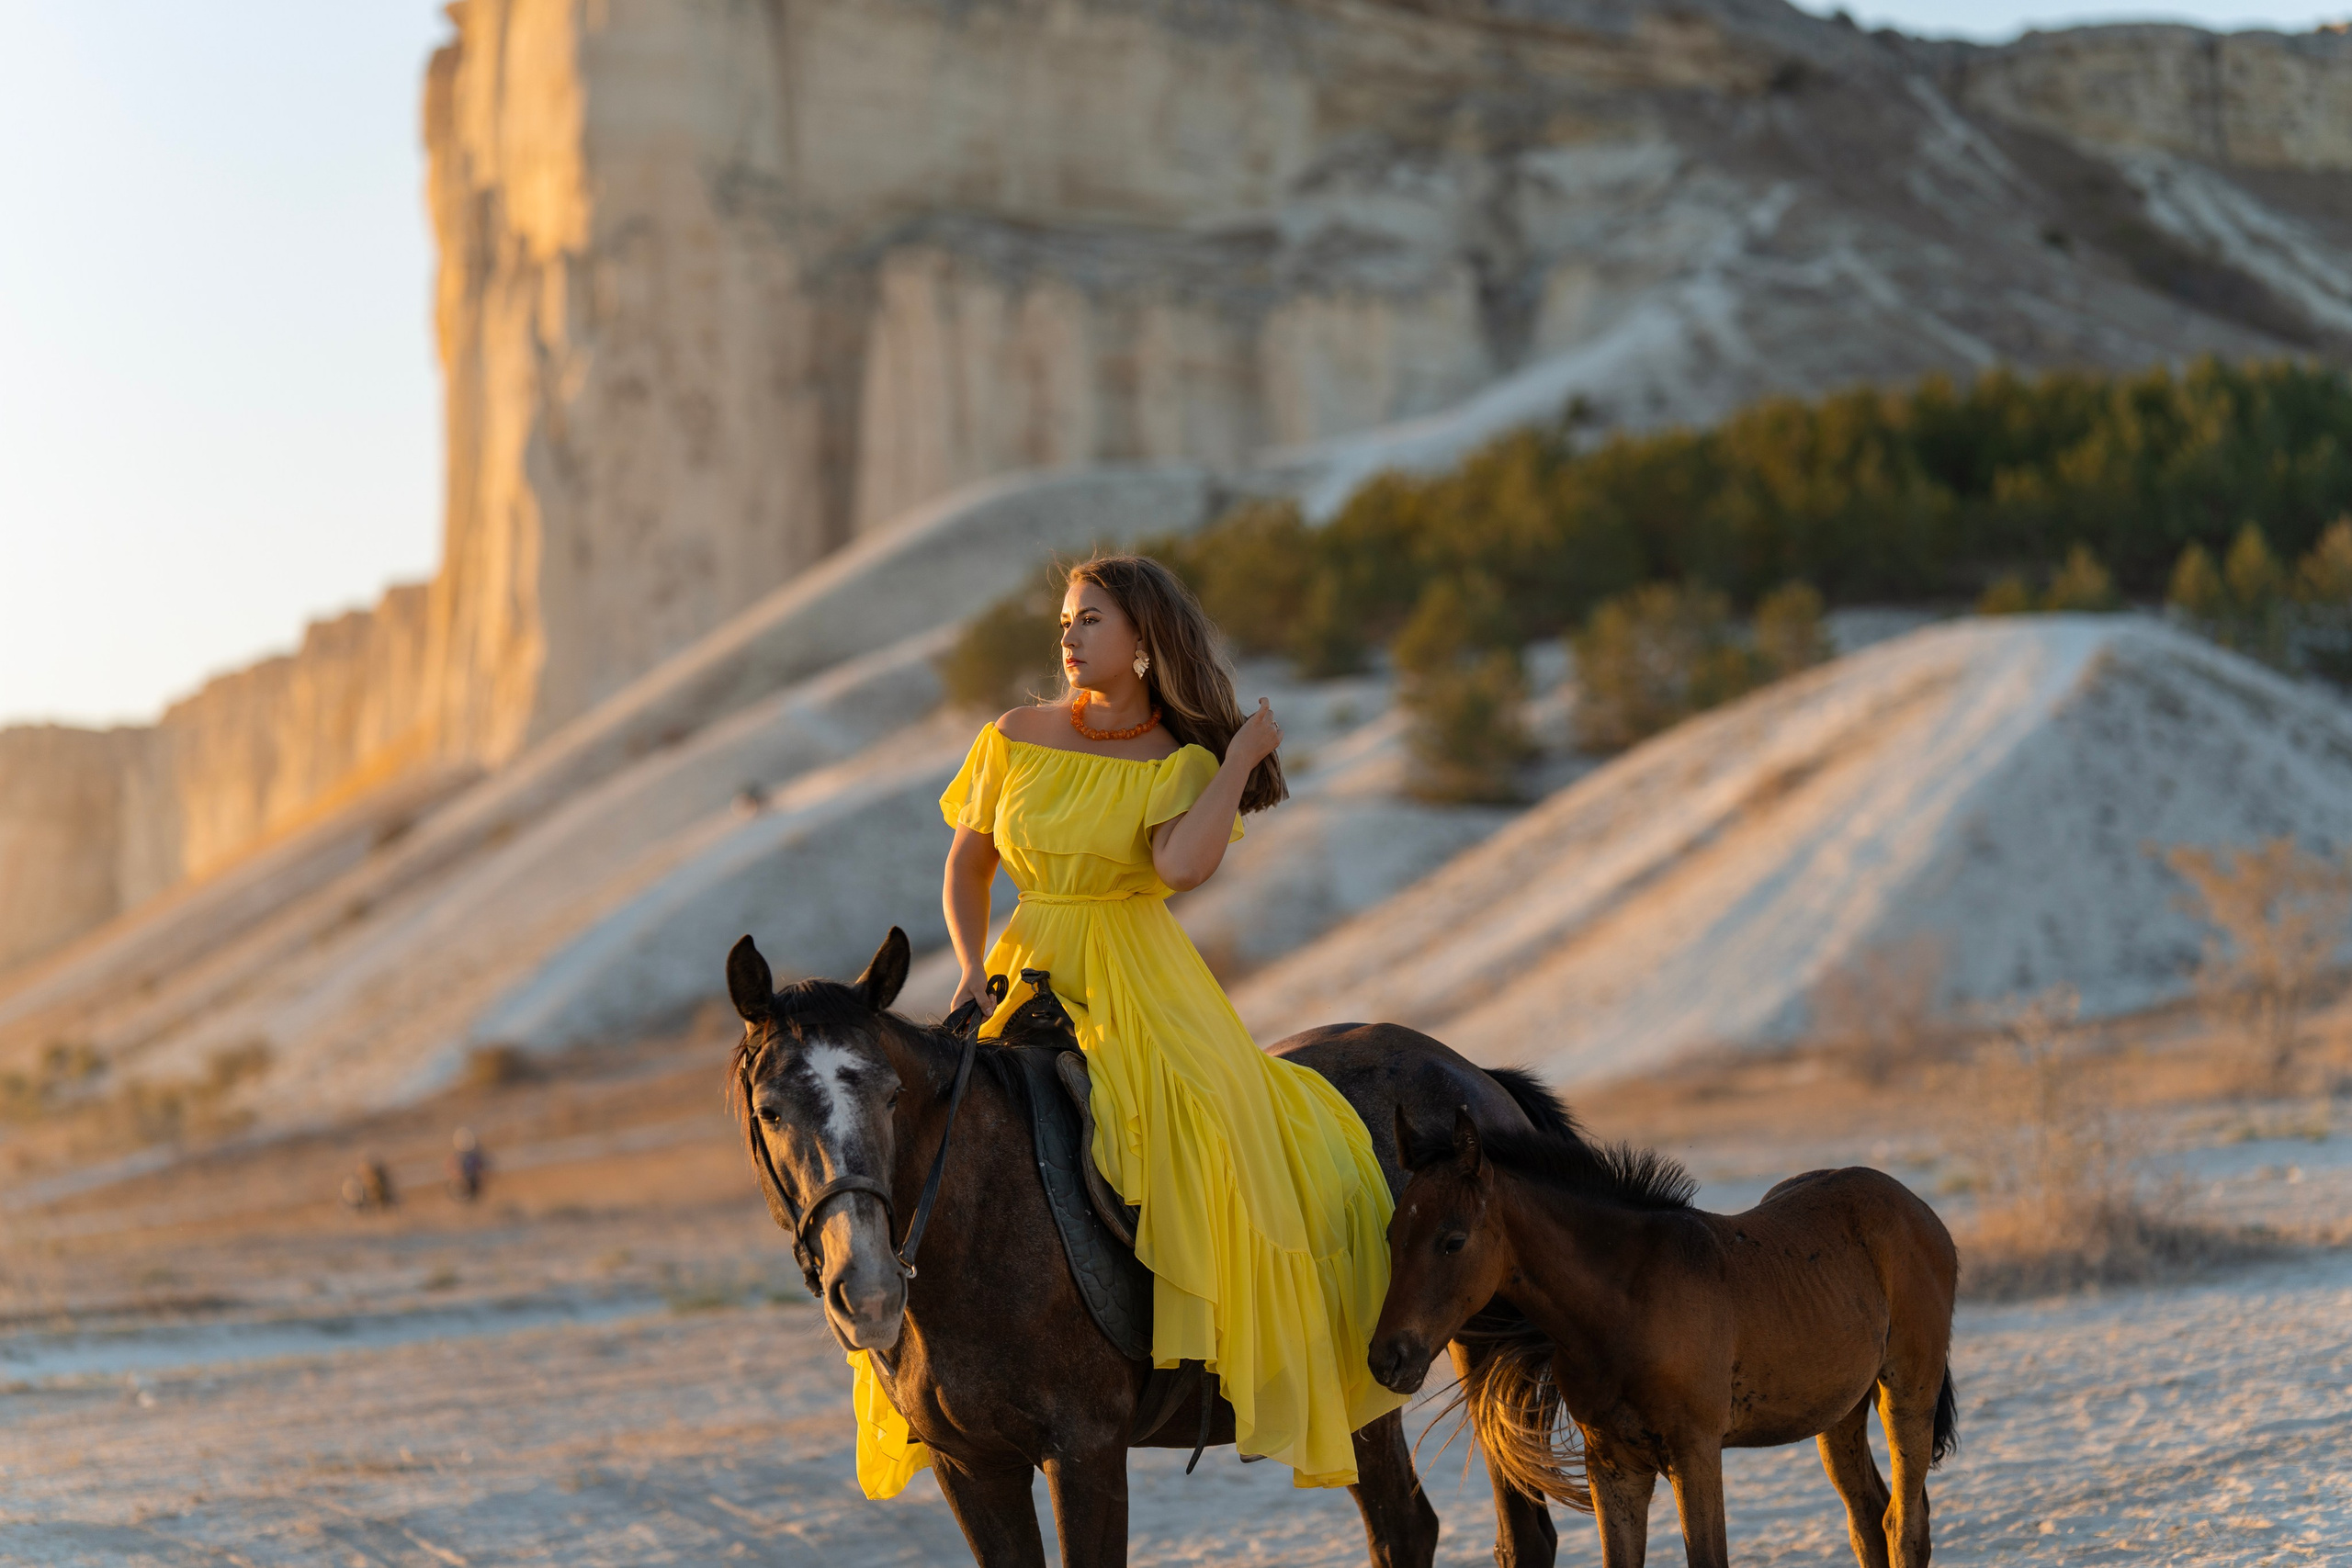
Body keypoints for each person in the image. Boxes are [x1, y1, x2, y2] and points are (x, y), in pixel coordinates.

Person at [850, 554, 1407, 1498]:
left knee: (1196, 1128)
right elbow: (968, 868)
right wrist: (974, 965)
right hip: (1023, 968)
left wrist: (1233, 762)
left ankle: (1200, 1355)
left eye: (1090, 620)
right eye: (1065, 619)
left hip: (1137, 975)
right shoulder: (1014, 735)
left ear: (1144, 644)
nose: (1067, 636)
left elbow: (1184, 869)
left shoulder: (1179, 762)